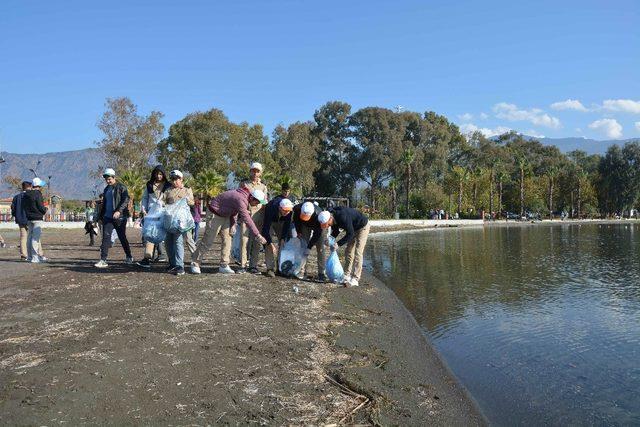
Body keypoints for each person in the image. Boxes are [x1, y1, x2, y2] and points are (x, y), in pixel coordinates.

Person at [191, 186, 268, 274]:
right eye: (257, 202)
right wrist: (258, 235)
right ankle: (195, 263)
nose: (257, 204)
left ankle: (224, 265)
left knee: (228, 239)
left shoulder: (245, 198)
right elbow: (247, 219)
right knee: (209, 239)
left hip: (226, 215)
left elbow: (234, 211)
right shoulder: (241, 200)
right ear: (252, 198)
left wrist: (233, 224)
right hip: (215, 213)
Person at [318, 206, 370, 287]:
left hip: (362, 226)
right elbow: (335, 231)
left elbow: (350, 234)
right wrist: (330, 239)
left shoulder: (342, 217)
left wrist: (338, 244)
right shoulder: (332, 218)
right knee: (348, 251)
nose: (327, 226)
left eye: (327, 224)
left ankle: (356, 278)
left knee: (358, 252)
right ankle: (346, 274)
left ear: (330, 219)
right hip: (352, 228)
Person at [94, 168, 133, 268]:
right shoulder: (106, 189)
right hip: (107, 217)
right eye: (106, 179)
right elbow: (105, 204)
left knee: (122, 237)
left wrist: (118, 211)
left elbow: (126, 199)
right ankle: (103, 260)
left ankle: (129, 256)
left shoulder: (121, 187)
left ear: (114, 177)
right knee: (105, 238)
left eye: (110, 179)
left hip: (119, 218)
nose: (108, 181)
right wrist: (100, 217)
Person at [137, 165, 171, 268]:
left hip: (163, 212)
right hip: (151, 214)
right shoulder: (149, 185)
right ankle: (147, 258)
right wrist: (143, 209)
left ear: (163, 174)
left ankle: (163, 255)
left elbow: (170, 198)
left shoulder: (168, 185)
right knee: (150, 234)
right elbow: (145, 198)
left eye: (160, 174)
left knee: (163, 234)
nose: (158, 176)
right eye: (157, 173)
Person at [238, 162, 268, 273]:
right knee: (244, 242)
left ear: (261, 173)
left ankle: (253, 266)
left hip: (259, 218)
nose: (255, 173)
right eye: (253, 170)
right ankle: (242, 265)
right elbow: (239, 199)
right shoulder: (244, 184)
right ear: (250, 171)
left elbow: (264, 203)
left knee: (256, 242)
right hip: (246, 217)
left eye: (258, 171)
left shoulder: (263, 187)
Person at [163, 170, 195, 275]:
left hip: (181, 221)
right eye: (172, 179)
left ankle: (180, 265)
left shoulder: (186, 190)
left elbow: (192, 202)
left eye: (176, 179)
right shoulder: (168, 191)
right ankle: (172, 263)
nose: (174, 181)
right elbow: (162, 202)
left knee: (179, 241)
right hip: (169, 221)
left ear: (181, 179)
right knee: (168, 242)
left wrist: (186, 200)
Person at [260, 183, 293, 277]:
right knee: (267, 243)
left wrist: (282, 238)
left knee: (284, 243)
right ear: (280, 208)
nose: (287, 213)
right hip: (271, 221)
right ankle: (270, 268)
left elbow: (287, 225)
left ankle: (280, 267)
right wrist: (271, 244)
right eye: (284, 211)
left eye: (288, 211)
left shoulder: (288, 210)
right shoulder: (271, 207)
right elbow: (265, 229)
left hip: (281, 221)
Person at [289, 201, 327, 281]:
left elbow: (317, 234)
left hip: (318, 226)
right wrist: (298, 231)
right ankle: (301, 271)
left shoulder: (319, 215)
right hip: (305, 226)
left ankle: (321, 273)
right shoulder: (297, 208)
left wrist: (309, 247)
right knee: (303, 246)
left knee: (320, 249)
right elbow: (296, 220)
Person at [22, 177, 48, 263]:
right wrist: (45, 210)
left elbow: (24, 206)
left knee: (29, 237)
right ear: (39, 185)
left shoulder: (26, 194)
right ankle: (34, 257)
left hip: (29, 218)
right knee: (35, 238)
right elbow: (40, 206)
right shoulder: (38, 194)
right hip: (37, 218)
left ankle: (29, 257)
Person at [11, 180, 32, 260]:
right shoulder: (30, 196)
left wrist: (15, 216)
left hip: (20, 219)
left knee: (23, 237)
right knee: (31, 236)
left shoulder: (16, 197)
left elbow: (13, 208)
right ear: (29, 187)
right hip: (29, 218)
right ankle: (32, 253)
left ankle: (23, 254)